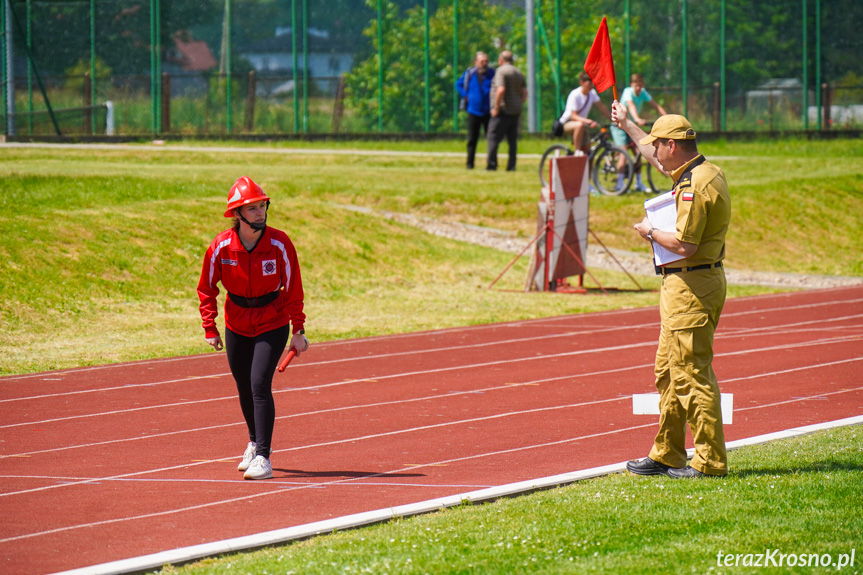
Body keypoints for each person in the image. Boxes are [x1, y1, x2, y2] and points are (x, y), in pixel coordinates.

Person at [610, 106, 731, 479]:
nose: (653, 154)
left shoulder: (695, 184)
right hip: (684, 284)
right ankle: (668, 452)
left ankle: (709, 461)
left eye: (657, 146)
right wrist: (628, 124)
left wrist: (648, 231)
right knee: (668, 371)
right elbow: (659, 163)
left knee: (692, 372)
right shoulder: (699, 170)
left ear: (672, 145)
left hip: (691, 282)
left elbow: (684, 245)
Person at [197, 176, 309, 480]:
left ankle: (263, 457)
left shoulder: (279, 243)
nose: (260, 212)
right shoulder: (220, 246)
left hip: (272, 321)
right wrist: (210, 327)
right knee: (243, 386)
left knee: (259, 383)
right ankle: (253, 441)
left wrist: (297, 330)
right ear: (237, 214)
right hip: (236, 322)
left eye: (263, 206)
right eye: (253, 208)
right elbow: (207, 288)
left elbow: (293, 287)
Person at [610, 73, 668, 192]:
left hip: (630, 126)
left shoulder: (643, 93)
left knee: (639, 151)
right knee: (623, 152)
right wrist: (636, 118)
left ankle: (638, 183)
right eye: (637, 85)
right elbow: (630, 105)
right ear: (632, 85)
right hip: (619, 126)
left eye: (641, 85)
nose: (639, 88)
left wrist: (668, 118)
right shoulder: (628, 91)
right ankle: (620, 184)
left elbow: (655, 105)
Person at [486, 50, 526, 171]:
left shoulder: (501, 71)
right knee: (512, 141)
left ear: (501, 60)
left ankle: (492, 165)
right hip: (515, 111)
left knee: (492, 137)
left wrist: (496, 108)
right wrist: (519, 103)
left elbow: (501, 90)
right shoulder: (518, 72)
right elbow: (525, 92)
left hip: (503, 110)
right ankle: (511, 166)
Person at [456, 51, 495, 169]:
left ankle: (491, 164)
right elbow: (458, 84)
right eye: (482, 61)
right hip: (473, 111)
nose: (484, 64)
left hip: (488, 111)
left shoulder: (492, 73)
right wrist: (465, 95)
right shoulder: (470, 73)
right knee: (472, 139)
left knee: (491, 139)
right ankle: (470, 163)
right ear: (476, 62)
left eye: (486, 61)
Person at [558, 71, 612, 155]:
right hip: (567, 124)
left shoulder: (592, 93)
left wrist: (611, 118)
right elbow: (573, 116)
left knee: (588, 152)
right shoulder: (575, 95)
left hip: (582, 126)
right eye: (589, 83)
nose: (591, 85)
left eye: (592, 83)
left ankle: (586, 165)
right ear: (581, 83)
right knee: (579, 124)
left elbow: (601, 107)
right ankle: (577, 152)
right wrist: (587, 121)